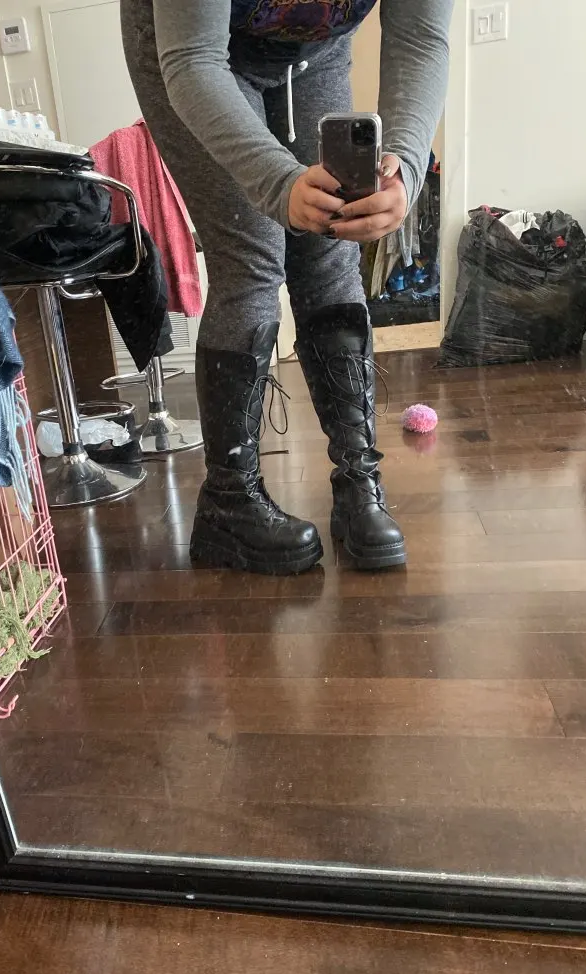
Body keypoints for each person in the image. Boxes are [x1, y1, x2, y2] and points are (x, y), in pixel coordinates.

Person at [121, 0, 454, 574]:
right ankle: (228, 503)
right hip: (193, 53)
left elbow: (421, 39)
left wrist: (405, 166)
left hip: (313, 52)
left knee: (333, 243)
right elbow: (194, 59)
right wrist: (279, 183)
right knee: (252, 256)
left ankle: (359, 480)